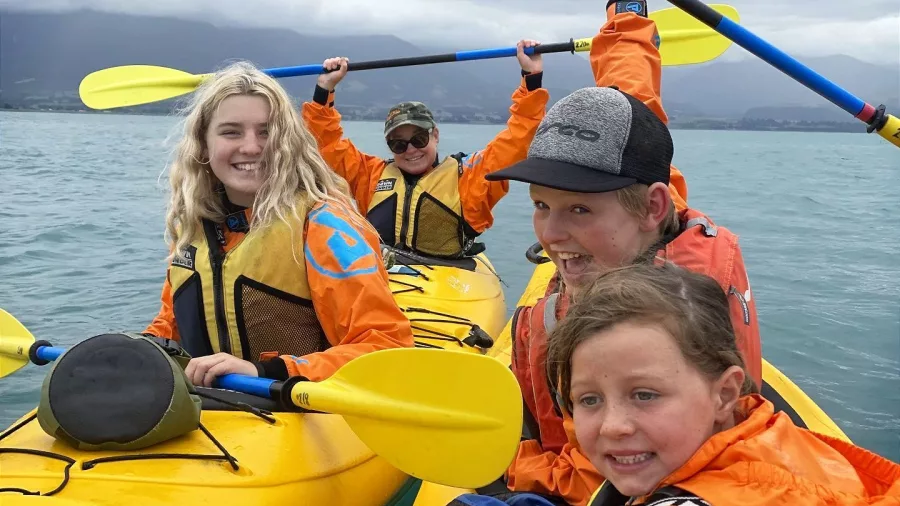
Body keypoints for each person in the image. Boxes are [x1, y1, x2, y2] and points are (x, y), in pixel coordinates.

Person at [477, 2, 763, 503]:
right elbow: (634, 98)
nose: (552, 234)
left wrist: (512, 464)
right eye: (542, 205)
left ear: (652, 207)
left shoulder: (652, 324)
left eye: (579, 211)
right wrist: (626, 17)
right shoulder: (649, 212)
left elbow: (601, 472)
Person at [142, 61, 414, 386]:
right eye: (231, 132)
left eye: (267, 131)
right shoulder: (195, 227)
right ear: (203, 144)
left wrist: (267, 372)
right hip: (210, 412)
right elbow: (169, 325)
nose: (251, 147)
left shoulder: (323, 226)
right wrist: (141, 350)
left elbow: (387, 347)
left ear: (288, 140)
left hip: (296, 413)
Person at [545, 263, 900, 506]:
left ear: (725, 394)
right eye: (589, 400)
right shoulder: (764, 434)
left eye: (644, 394)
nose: (613, 426)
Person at [300, 40, 550, 259]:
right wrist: (324, 89)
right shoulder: (370, 175)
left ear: (435, 136)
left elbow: (519, 138)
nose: (410, 150)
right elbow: (325, 144)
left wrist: (531, 77)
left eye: (418, 139)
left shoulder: (469, 178)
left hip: (445, 281)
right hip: (384, 277)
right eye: (398, 143)